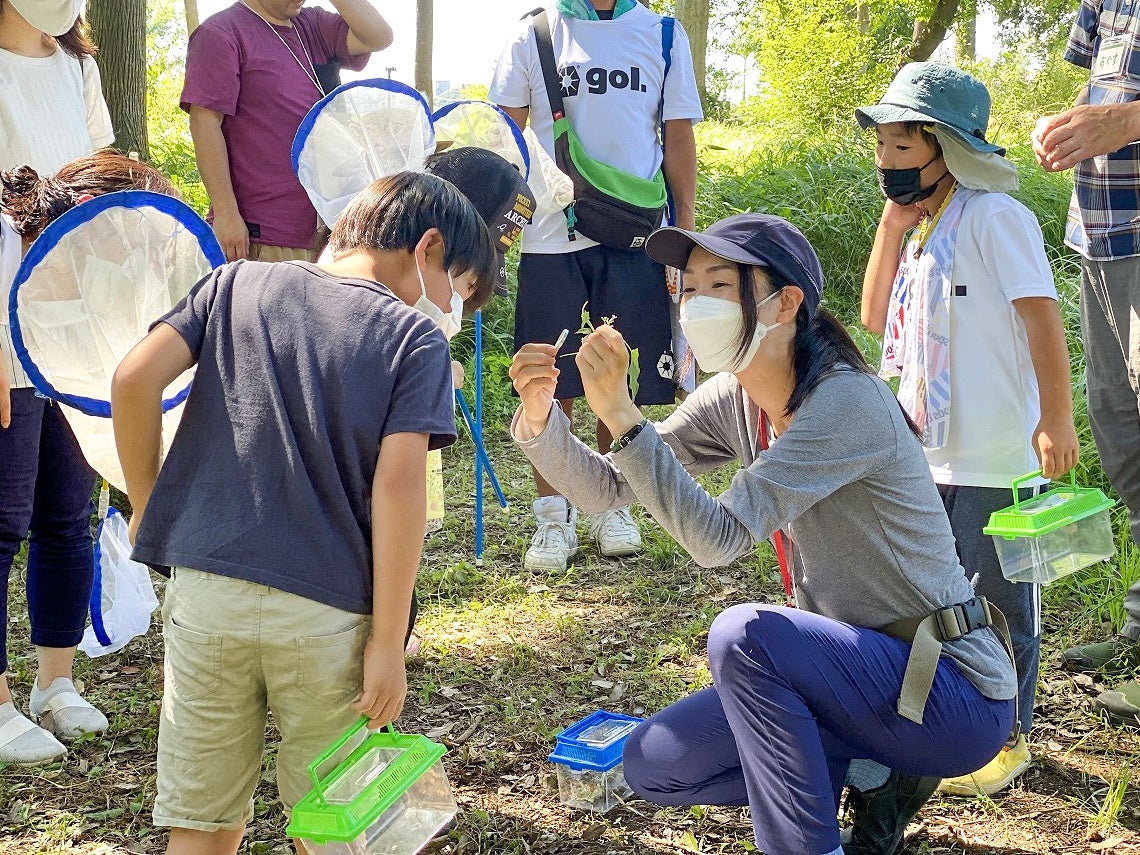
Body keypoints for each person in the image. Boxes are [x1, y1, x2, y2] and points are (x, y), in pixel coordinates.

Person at [509, 213, 1017, 855]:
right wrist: (540, 418)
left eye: (718, 284)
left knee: (745, 635)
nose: (694, 304)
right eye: (687, 286)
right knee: (654, 763)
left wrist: (621, 413)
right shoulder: (735, 399)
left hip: (947, 687)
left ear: (786, 304)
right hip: (848, 678)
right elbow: (610, 487)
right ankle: (869, 771)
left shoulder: (846, 404)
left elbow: (717, 539)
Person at [112, 171, 496, 854]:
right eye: (457, 287)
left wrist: (146, 504)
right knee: (337, 826)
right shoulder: (414, 339)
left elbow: (132, 378)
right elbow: (400, 490)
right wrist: (387, 643)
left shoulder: (235, 283)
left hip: (207, 595)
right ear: (428, 247)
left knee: (201, 823)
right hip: (327, 618)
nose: (451, 308)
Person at [858, 63, 1078, 795]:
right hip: (929, 456)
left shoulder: (993, 217)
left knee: (1003, 600)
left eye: (900, 147)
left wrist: (1055, 415)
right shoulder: (927, 230)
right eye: (882, 148)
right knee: (946, 600)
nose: (887, 163)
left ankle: (1010, 736)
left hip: (996, 454)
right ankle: (965, 723)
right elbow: (872, 316)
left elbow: (1040, 316)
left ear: (944, 147)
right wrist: (891, 228)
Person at [490, 0, 703, 571]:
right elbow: (503, 138)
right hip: (548, 235)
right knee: (545, 373)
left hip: (635, 233)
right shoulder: (532, 33)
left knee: (621, 368)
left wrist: (683, 229)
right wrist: (491, 227)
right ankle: (552, 513)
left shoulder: (661, 34)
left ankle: (613, 501)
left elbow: (678, 137)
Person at [0, 0, 116, 765]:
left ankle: (56, 680)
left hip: (77, 320)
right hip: (4, 321)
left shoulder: (80, 66)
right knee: (2, 516)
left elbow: (101, 186)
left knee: (68, 511)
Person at [1031, 1, 1140, 726]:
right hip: (1100, 235)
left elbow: (1120, 113)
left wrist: (1125, 122)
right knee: (1124, 438)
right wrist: (1069, 128)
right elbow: (1094, 91)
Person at [181, 0, 392, 264]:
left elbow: (379, 37)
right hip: (262, 235)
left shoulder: (312, 25)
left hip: (329, 233)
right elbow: (205, 124)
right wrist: (226, 212)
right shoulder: (221, 33)